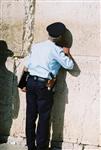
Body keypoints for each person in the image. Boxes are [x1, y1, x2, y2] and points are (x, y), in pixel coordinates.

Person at [21, 22, 74, 150]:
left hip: (31, 82)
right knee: (44, 117)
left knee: (30, 115)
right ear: (60, 36)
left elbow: (26, 65)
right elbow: (70, 66)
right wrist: (66, 53)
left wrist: (22, 83)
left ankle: (30, 146)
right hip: (44, 85)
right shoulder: (56, 50)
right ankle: (41, 147)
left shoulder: (37, 46)